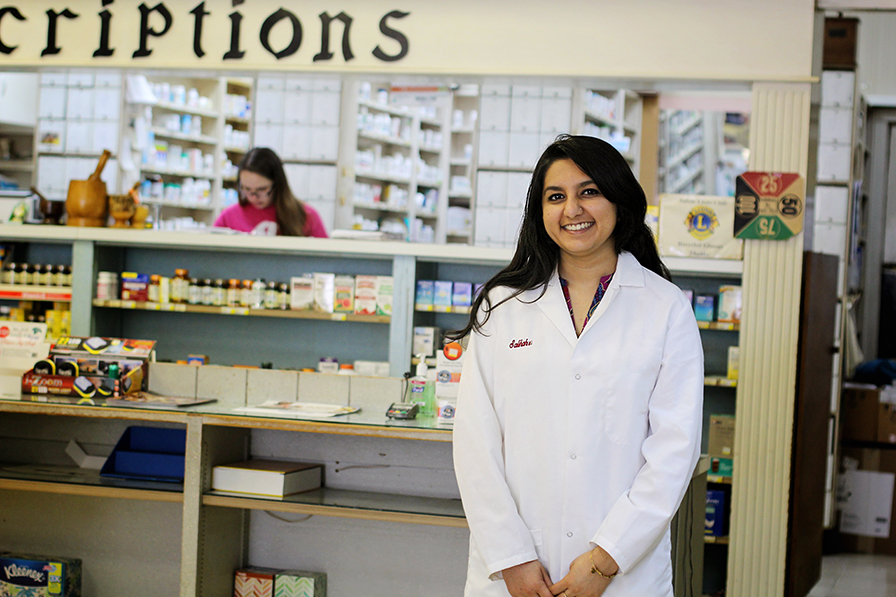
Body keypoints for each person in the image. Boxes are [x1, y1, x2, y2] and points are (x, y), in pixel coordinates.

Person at [452, 135, 703, 597]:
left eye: (589, 191)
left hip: (623, 574)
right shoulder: (503, 305)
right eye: (556, 196)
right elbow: (474, 443)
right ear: (540, 211)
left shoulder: (665, 308)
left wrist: (606, 560)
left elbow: (674, 451)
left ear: (619, 200)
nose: (572, 209)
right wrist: (510, 558)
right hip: (515, 572)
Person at [214, 147, 329, 237]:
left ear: (278, 184)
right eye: (247, 189)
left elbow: (324, 256)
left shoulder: (306, 216)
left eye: (261, 189)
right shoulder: (228, 217)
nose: (253, 197)